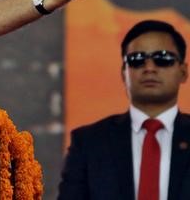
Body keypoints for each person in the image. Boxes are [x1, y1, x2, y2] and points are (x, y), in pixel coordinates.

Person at [57, 20, 190, 200]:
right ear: (123, 72)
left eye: (162, 59)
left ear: (183, 71)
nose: (149, 68)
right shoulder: (89, 142)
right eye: (137, 60)